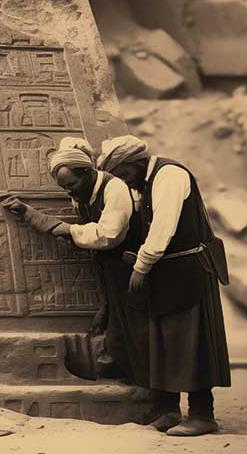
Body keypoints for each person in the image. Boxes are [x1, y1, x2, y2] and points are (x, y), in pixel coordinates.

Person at [98, 134, 230, 437]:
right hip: (169, 273)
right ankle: (169, 410)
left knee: (193, 344)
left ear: (134, 162)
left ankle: (202, 414)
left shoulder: (169, 175)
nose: (123, 181)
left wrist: (141, 267)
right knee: (163, 342)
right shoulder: (145, 182)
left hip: (190, 272)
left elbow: (163, 229)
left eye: (122, 173)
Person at [0, 137, 148, 388]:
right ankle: (127, 378)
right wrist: (29, 213)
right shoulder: (81, 193)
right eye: (64, 187)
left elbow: (108, 234)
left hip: (129, 267)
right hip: (109, 267)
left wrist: (65, 229)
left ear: (88, 172)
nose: (69, 191)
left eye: (71, 184)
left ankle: (147, 388)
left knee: (133, 328)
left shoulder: (115, 188)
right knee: (115, 325)